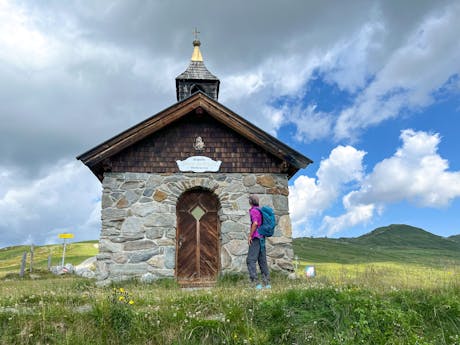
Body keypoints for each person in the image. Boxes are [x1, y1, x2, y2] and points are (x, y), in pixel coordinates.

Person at [246, 194, 271, 289]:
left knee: (250, 260)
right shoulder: (260, 210)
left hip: (256, 238)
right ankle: (267, 284)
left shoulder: (253, 211)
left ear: (251, 202)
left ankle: (256, 284)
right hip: (262, 238)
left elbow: (255, 223)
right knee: (262, 261)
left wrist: (250, 236)